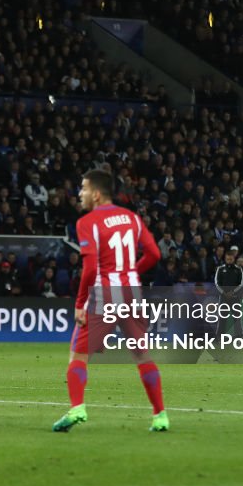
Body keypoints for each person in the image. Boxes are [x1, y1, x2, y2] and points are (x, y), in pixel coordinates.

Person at [52, 170, 165, 433]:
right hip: (132, 293)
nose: (79, 194)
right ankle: (160, 415)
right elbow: (155, 254)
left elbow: (90, 267)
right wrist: (133, 270)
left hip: (104, 293)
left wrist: (80, 302)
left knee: (78, 355)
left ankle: (77, 407)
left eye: (83, 188)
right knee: (142, 355)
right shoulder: (132, 218)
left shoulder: (87, 222)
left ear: (96, 193)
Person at [214, 247, 243, 337]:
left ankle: (239, 338)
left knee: (237, 319)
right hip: (223, 298)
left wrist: (232, 292)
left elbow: (241, 283)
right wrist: (224, 293)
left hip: (235, 298)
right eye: (227, 259)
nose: (229, 260)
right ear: (225, 258)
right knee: (222, 319)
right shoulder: (220, 269)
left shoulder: (239, 269)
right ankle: (219, 338)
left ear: (234, 258)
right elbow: (217, 283)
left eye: (231, 259)